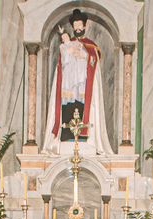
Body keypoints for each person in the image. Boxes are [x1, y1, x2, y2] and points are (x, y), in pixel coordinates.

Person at [43, 10, 114, 155]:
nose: (77, 27)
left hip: (83, 86)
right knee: (69, 107)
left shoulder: (90, 46)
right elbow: (62, 63)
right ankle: (67, 136)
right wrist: (67, 50)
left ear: (84, 26)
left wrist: (85, 56)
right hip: (69, 84)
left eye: (80, 24)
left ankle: (84, 136)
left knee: (82, 107)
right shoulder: (68, 45)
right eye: (75, 25)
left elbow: (94, 62)